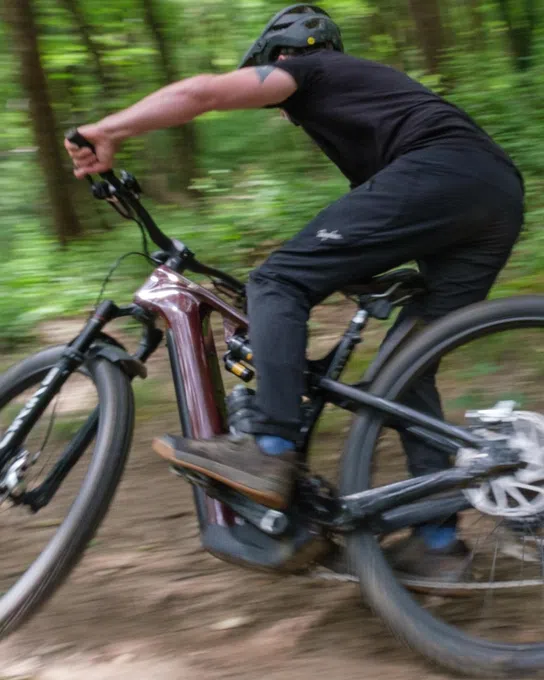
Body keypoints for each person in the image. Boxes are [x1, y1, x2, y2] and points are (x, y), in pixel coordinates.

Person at [66, 4, 524, 580]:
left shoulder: (310, 72)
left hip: (444, 172)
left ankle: (270, 450)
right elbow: (386, 214)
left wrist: (107, 130)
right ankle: (435, 541)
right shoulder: (371, 102)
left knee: (278, 279)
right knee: (408, 366)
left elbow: (203, 92)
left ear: (280, 56)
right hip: (494, 194)